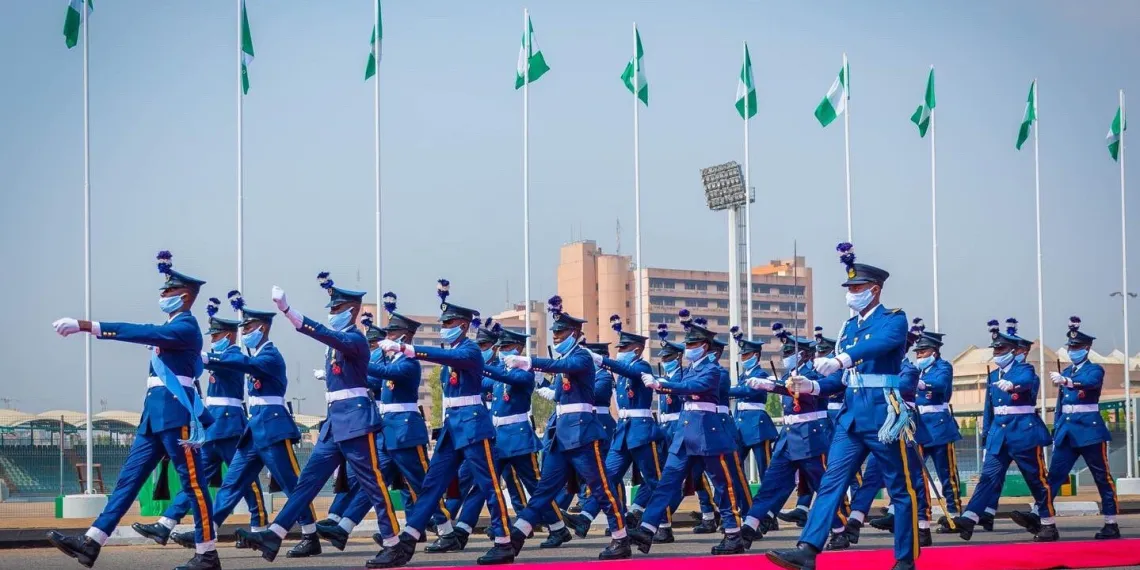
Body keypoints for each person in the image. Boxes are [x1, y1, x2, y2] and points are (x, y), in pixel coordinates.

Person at [48, 251, 219, 570]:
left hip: (176, 417)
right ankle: (92, 542)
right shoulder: (173, 329)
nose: (162, 295)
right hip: (153, 419)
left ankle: (207, 553)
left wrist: (88, 325)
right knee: (127, 482)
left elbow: (143, 331)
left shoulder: (186, 327)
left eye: (167, 291)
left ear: (183, 296)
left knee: (193, 487)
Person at [768, 242, 925, 570]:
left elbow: (879, 345)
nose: (852, 293)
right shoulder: (848, 328)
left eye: (857, 287)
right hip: (851, 417)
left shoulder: (893, 320)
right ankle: (808, 550)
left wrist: (842, 358)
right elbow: (842, 381)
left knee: (900, 487)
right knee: (830, 483)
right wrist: (810, 386)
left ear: (875, 289)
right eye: (850, 288)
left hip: (884, 416)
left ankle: (906, 559)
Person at [237, 272, 402, 568]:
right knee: (306, 484)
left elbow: (327, 334)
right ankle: (274, 534)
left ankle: (393, 543)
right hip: (333, 426)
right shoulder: (337, 346)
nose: (332, 314)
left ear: (351, 311)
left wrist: (289, 312)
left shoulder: (354, 339)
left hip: (355, 422)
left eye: (337, 310)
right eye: (331, 309)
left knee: (373, 483)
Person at [367, 280, 514, 567]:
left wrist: (411, 350)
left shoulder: (469, 350)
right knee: (432, 486)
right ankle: (407, 542)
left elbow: (447, 356)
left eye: (449, 322)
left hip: (472, 426)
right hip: (453, 428)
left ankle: (504, 542)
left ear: (462, 325)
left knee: (488, 485)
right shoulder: (454, 352)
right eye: (442, 321)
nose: (444, 326)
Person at [478, 296, 631, 563]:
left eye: (561, 332)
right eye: (555, 333)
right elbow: (560, 392)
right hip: (562, 437)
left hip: (583, 435)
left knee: (600, 487)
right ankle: (514, 540)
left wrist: (529, 362)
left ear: (576, 333)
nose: (557, 337)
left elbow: (563, 367)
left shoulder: (581, 357)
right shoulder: (563, 362)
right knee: (543, 491)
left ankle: (621, 537)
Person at [132, 297, 268, 549]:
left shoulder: (234, 355)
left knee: (246, 479)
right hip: (212, 429)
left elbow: (213, 362)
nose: (213, 340)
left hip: (230, 427)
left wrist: (196, 353)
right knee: (194, 480)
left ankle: (259, 527)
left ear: (229, 335)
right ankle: (166, 523)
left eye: (217, 337)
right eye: (212, 337)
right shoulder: (217, 356)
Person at [319, 295, 451, 551]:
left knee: (422, 483)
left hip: (406, 433)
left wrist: (360, 361)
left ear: (405, 337)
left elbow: (386, 375)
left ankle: (446, 530)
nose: (387, 338)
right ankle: (344, 528)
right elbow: (373, 383)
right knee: (373, 481)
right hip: (388, 432)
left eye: (393, 333)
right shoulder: (391, 360)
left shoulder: (409, 364)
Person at [626, 313, 747, 556]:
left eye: (692, 344)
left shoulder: (713, 370)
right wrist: (602, 361)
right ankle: (647, 529)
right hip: (684, 434)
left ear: (705, 346)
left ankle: (734, 533)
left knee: (722, 485)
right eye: (687, 344)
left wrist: (661, 385)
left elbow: (693, 388)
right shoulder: (688, 369)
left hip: (707, 434)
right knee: (667, 483)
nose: (688, 348)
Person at [739, 326, 845, 550]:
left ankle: (840, 529)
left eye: (789, 353)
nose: (785, 358)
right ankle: (748, 528)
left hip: (810, 437)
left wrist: (772, 386)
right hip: (788, 438)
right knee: (771, 483)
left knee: (822, 486)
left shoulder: (817, 374)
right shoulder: (789, 374)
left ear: (805, 354)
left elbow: (800, 390)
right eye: (784, 354)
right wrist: (774, 385)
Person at [951, 319, 1056, 542]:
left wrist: (1013, 385)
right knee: (987, 478)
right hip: (999, 436)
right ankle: (970, 517)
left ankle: (1048, 523)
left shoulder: (1024, 369)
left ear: (1012, 350)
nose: (997, 353)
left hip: (1023, 434)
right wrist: (986, 437)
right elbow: (989, 410)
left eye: (1001, 349)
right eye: (995, 349)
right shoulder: (992, 376)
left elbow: (1026, 381)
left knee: (1036, 480)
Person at [567, 317, 663, 535]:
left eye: (625, 348)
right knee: (607, 478)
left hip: (641, 431)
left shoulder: (641, 366)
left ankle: (659, 524)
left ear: (637, 350)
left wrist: (601, 360)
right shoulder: (622, 374)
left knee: (653, 480)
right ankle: (585, 517)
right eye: (619, 347)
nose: (621, 351)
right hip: (623, 432)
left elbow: (630, 373)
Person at [1027, 317, 1119, 540]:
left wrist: (1068, 382)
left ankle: (1111, 522)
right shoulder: (1066, 372)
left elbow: (1090, 384)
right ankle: (1043, 520)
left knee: (1102, 477)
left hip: (1089, 432)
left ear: (1087, 348)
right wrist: (1057, 427)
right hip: (1067, 433)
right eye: (1071, 347)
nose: (1072, 350)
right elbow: (1061, 406)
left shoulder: (1094, 369)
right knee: (1054, 477)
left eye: (1077, 347)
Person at [911, 326, 963, 530]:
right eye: (917, 352)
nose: (919, 355)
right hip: (920, 427)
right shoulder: (919, 370)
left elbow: (940, 384)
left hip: (939, 428)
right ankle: (923, 514)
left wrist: (922, 384)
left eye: (922, 352)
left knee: (947, 474)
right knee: (917, 474)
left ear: (934, 351)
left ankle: (954, 513)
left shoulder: (943, 367)